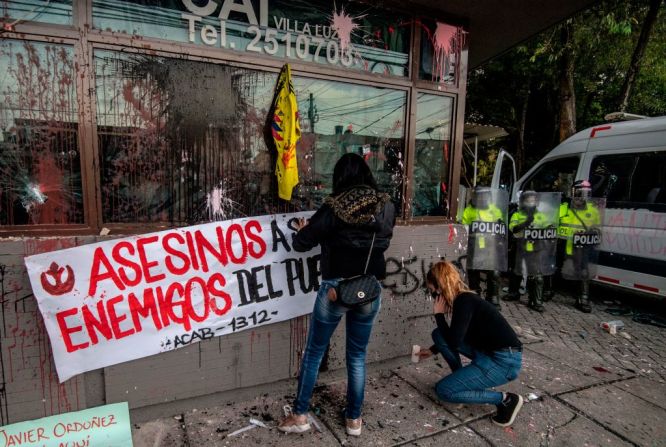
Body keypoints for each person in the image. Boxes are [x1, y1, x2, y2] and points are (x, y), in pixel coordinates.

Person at [277, 153, 396, 436]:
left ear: (340, 177)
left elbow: (302, 243)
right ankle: (354, 420)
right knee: (357, 355)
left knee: (314, 353)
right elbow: (385, 237)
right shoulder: (386, 205)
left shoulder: (334, 207)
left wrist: (306, 230)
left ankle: (300, 415)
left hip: (336, 290)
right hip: (369, 289)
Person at [417, 261, 524, 427]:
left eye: (433, 292)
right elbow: (455, 336)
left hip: (504, 363)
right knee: (438, 334)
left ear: (441, 287)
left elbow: (454, 342)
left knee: (444, 391)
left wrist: (438, 315)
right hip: (490, 353)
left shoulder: (464, 301)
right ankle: (461, 381)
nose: (434, 298)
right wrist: (432, 350)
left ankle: (506, 400)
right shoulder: (464, 300)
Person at [506, 191, 556, 312]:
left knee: (537, 275)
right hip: (520, 248)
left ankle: (536, 300)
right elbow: (513, 228)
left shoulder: (541, 215)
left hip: (536, 249)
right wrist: (526, 222)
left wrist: (551, 228)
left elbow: (548, 229)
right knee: (516, 271)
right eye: (528, 200)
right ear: (523, 201)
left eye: (533, 200)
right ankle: (514, 293)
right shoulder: (517, 215)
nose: (530, 202)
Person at [558, 180, 601, 313]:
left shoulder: (593, 210)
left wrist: (590, 232)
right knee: (553, 266)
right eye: (580, 192)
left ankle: (583, 298)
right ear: (573, 192)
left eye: (587, 193)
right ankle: (546, 292)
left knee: (583, 270)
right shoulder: (564, 207)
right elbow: (554, 222)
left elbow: (597, 228)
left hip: (580, 246)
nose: (583, 196)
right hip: (563, 243)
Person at [461, 187, 505, 309]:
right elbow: (464, 228)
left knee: (494, 273)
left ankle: (493, 298)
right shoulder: (469, 211)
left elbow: (501, 227)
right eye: (480, 196)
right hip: (475, 248)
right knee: (474, 273)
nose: (482, 199)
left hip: (490, 248)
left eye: (485, 196)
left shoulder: (494, 210)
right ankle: (476, 298)